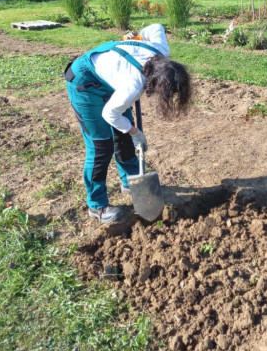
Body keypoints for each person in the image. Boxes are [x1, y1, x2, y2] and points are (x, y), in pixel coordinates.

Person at [64, 23, 191, 225]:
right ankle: (96, 205)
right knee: (100, 146)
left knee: (123, 137)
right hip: (85, 83)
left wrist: (138, 35)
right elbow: (109, 114)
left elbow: (157, 27)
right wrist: (135, 132)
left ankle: (131, 181)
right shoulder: (134, 84)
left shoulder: (160, 49)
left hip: (111, 81)